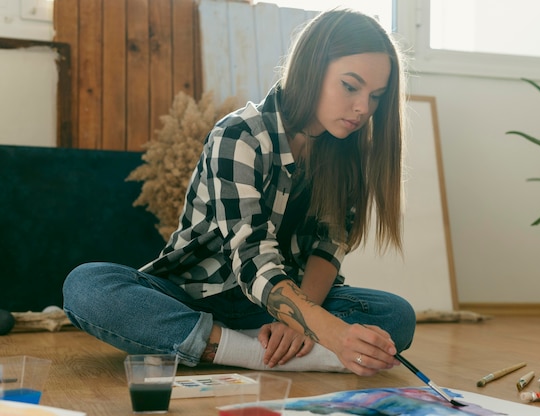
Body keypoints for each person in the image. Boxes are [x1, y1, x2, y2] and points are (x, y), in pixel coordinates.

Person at [63, 7, 416, 377]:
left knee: (397, 316)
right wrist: (330, 332)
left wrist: (300, 321)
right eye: (350, 86)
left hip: (281, 303)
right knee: (87, 287)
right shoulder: (240, 135)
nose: (363, 108)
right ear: (312, 67)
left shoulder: (349, 152)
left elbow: (328, 249)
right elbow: (252, 259)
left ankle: (219, 345)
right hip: (196, 297)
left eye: (376, 96)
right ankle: (252, 352)